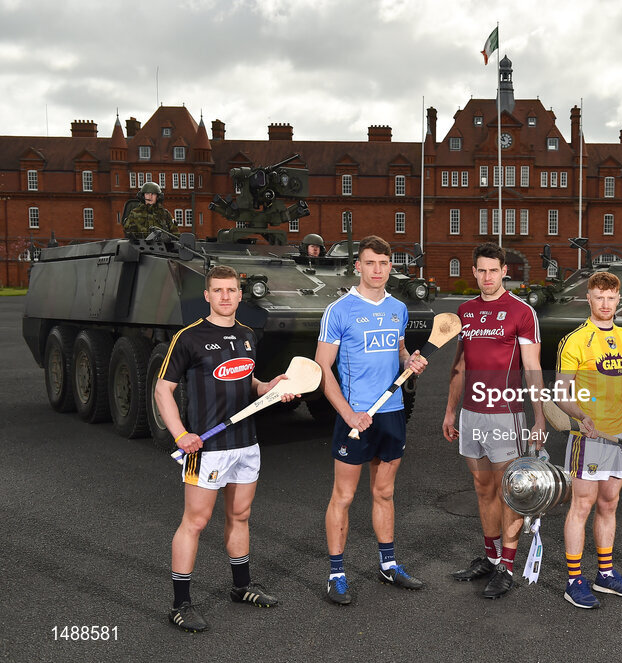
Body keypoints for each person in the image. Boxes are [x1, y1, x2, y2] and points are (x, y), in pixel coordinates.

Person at [155, 264, 296, 633]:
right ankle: (180, 604)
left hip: (246, 443)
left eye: (231, 290)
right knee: (195, 522)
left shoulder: (247, 335)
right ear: (207, 295)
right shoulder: (188, 337)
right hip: (207, 447)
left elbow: (248, 382)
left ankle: (241, 586)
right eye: (217, 290)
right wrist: (180, 434)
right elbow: (162, 389)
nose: (225, 296)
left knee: (241, 515)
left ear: (239, 294)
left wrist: (270, 387)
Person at [316, 235, 427, 605]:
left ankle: (388, 565)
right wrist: (348, 413)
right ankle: (336, 574)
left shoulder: (398, 308)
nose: (377, 270)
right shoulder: (339, 310)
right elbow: (322, 368)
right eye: (370, 263)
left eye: (383, 263)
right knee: (344, 496)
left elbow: (399, 350)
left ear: (390, 267)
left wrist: (410, 360)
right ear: (358, 266)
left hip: (391, 413)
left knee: (384, 492)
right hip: (355, 416)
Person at [442, 242, 545, 599]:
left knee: (508, 492)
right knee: (482, 488)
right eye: (481, 270)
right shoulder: (465, 311)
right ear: (474, 272)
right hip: (471, 414)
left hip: (505, 414)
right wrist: (450, 410)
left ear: (505, 271)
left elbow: (532, 367)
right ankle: (491, 558)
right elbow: (460, 366)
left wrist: (539, 418)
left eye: (493, 270)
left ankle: (507, 568)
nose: (487, 277)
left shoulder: (521, 311)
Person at [555, 271, 622, 609]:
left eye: (610, 298)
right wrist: (581, 416)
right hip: (590, 437)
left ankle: (604, 575)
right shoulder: (575, 340)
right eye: (599, 297)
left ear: (618, 299)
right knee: (582, 505)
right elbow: (560, 393)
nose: (605, 304)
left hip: (619, 436)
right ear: (588, 298)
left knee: (609, 503)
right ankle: (574, 580)